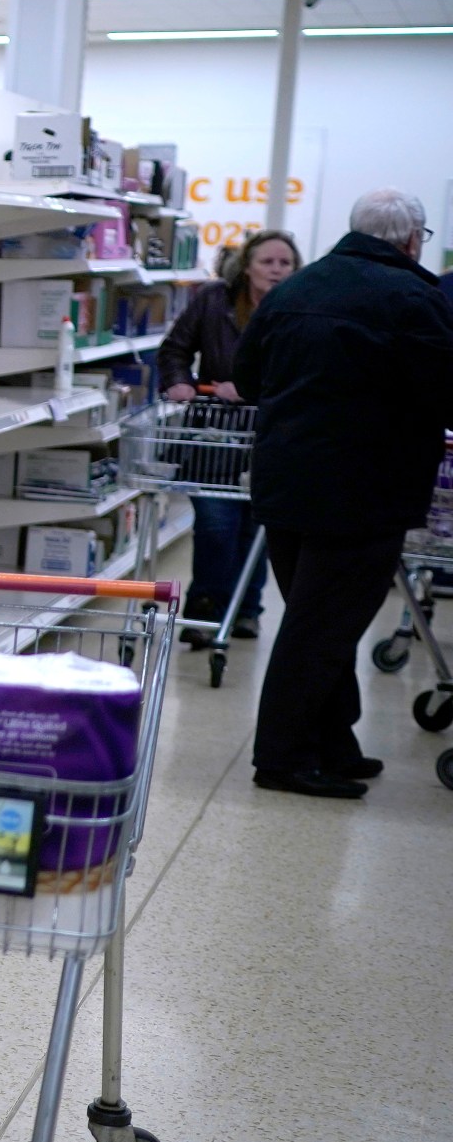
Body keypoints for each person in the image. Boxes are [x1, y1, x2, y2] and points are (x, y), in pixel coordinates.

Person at [236, 188, 453, 798]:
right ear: (413, 239)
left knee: (317, 618)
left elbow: (249, 378)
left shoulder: (293, 290)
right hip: (365, 490)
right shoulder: (415, 298)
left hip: (284, 483)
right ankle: (280, 758)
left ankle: (335, 743)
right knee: (321, 628)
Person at [158, 230, 297, 646]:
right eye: (267, 262)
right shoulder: (214, 300)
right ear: (246, 266)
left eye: (285, 263)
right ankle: (206, 609)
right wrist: (179, 382)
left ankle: (246, 611)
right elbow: (174, 350)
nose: (276, 270)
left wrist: (250, 388)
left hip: (271, 434)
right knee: (217, 524)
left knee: (256, 529)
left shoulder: (297, 307)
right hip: (212, 432)